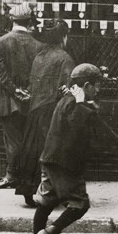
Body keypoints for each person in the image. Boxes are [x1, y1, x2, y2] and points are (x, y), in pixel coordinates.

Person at [32, 64, 102, 234]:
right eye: (96, 86)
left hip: (49, 159)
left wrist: (87, 105)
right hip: (65, 164)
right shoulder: (75, 104)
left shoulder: (68, 100)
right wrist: (85, 106)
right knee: (80, 204)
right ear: (87, 85)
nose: (97, 90)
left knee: (45, 203)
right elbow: (76, 130)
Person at [15, 20, 74, 207]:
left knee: (32, 150)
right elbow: (69, 88)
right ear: (63, 37)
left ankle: (28, 191)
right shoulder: (65, 58)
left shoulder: (39, 57)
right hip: (53, 111)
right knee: (54, 152)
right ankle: (57, 192)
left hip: (35, 109)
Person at [0, 2, 43, 189]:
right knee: (29, 140)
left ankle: (12, 176)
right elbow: (39, 74)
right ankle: (25, 177)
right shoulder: (39, 45)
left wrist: (15, 91)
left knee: (12, 140)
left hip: (8, 100)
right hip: (32, 100)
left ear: (12, 20)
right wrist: (28, 91)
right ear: (29, 21)